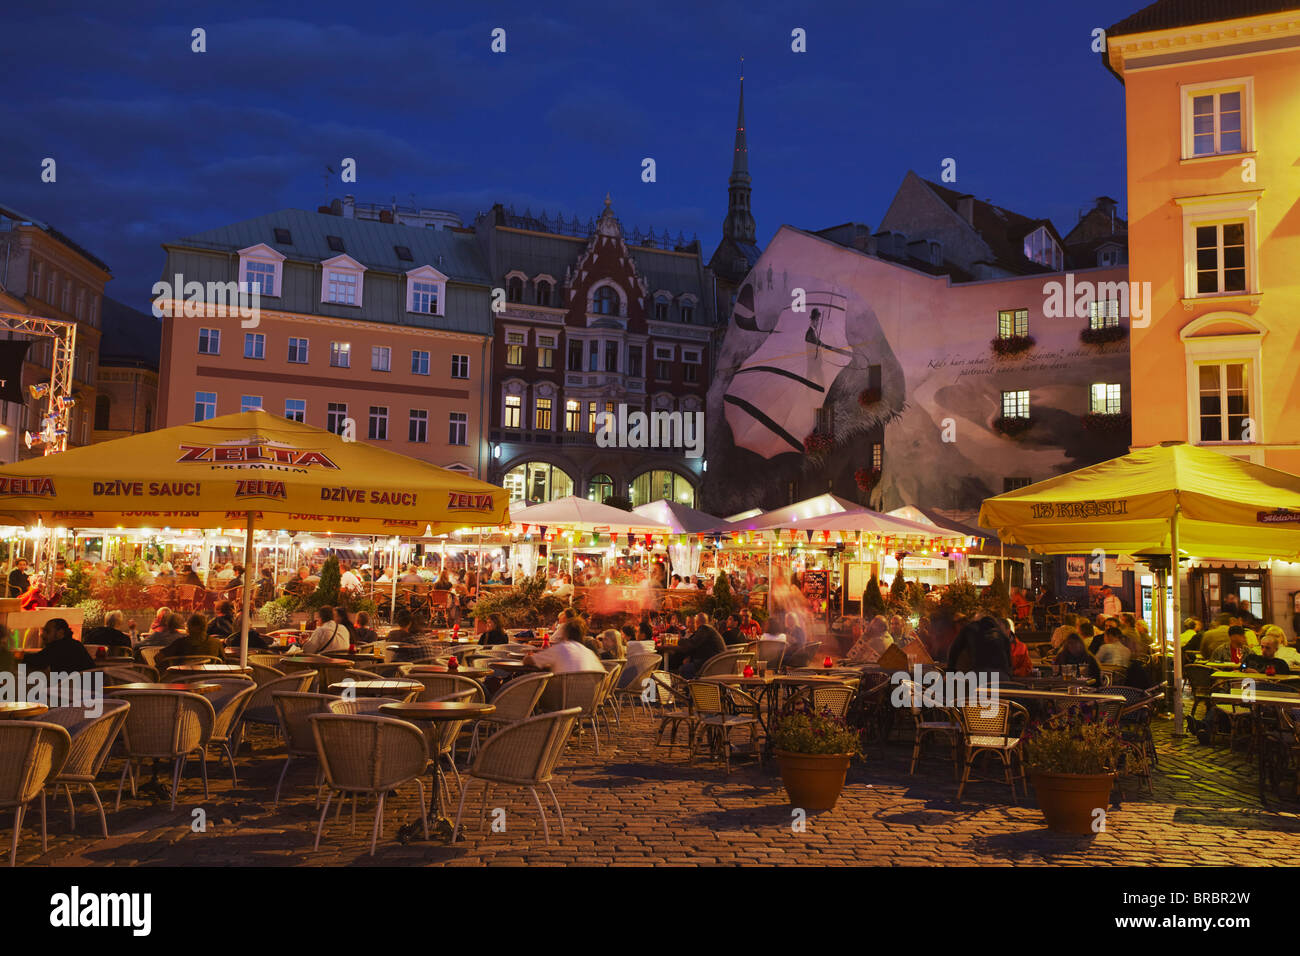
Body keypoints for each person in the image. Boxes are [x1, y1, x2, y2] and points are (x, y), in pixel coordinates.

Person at [522, 621, 604, 674]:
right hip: (589, 699)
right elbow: (604, 679)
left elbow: (528, 661)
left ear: (565, 634)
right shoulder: (589, 653)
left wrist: (528, 656)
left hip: (560, 697)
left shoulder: (561, 648)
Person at [946, 616, 1012, 678]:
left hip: (979, 673)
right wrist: (1009, 675)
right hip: (1001, 675)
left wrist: (950, 673)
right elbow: (1009, 661)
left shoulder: (970, 629)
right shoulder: (1001, 634)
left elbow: (954, 650)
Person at [24, 618, 95, 672]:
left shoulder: (56, 647)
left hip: (68, 689)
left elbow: (37, 661)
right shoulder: (76, 644)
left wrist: (19, 657)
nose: (43, 635)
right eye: (44, 631)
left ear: (60, 633)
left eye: (48, 632)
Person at [670, 613, 726, 678]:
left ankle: (689, 686)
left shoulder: (704, 628)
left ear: (697, 622)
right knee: (679, 660)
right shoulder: (709, 630)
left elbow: (691, 643)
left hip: (711, 664)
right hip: (718, 663)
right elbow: (695, 644)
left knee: (684, 668)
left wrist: (679, 640)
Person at [158, 613, 225, 664]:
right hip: (210, 678)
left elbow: (158, 657)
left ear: (188, 627)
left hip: (182, 678)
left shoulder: (180, 643)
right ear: (205, 626)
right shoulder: (216, 643)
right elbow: (224, 661)